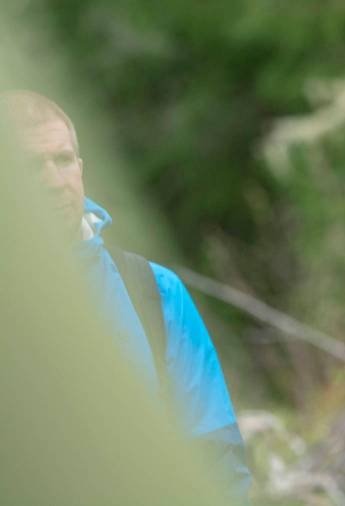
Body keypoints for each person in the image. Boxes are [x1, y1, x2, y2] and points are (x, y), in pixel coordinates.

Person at [1, 90, 251, 499]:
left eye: (62, 160)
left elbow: (217, 458)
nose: (53, 181)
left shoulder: (153, 291)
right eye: (30, 167)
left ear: (81, 168)